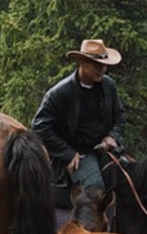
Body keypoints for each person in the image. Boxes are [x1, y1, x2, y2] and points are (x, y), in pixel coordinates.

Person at [31, 38, 126, 205]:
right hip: (79, 154)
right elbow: (39, 126)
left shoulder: (108, 86)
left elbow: (119, 115)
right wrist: (67, 153)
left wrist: (113, 136)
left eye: (103, 65)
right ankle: (91, 230)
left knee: (130, 178)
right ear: (82, 62)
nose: (102, 69)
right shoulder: (60, 92)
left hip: (104, 150)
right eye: (96, 65)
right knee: (94, 188)